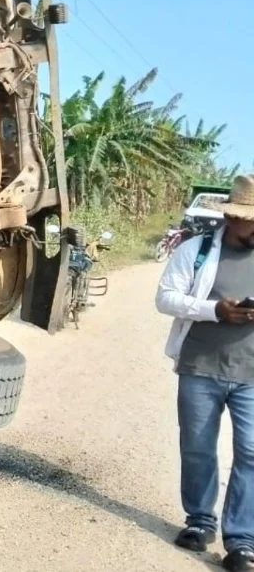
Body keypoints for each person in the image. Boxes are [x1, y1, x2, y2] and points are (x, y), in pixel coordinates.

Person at [157, 174, 254, 571]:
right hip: (200, 366)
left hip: (252, 375)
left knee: (252, 453)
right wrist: (215, 310)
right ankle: (199, 521)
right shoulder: (195, 250)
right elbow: (165, 298)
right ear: (232, 218)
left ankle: (242, 540)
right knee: (198, 447)